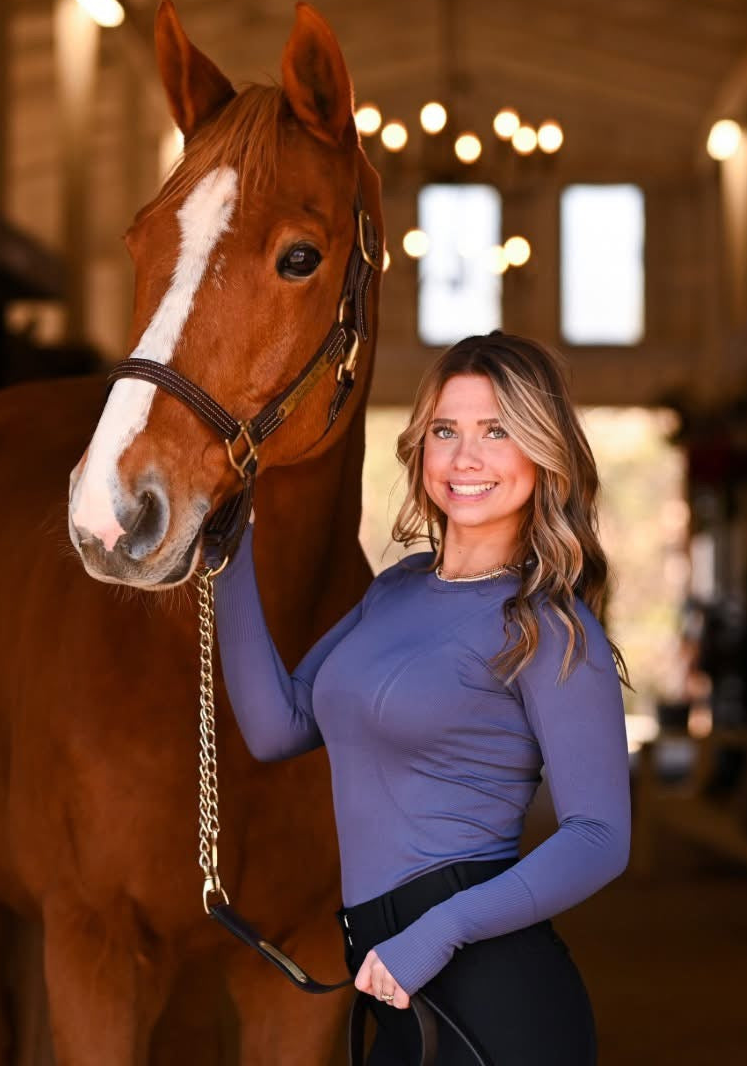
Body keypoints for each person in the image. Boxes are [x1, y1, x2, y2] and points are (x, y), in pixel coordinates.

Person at [212, 331, 633, 1065]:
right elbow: (279, 728)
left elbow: (600, 837)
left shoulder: (551, 628)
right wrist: (227, 556)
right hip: (394, 985)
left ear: (543, 452)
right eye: (446, 431)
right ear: (421, 448)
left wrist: (436, 933)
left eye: (496, 431)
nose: (465, 458)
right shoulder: (397, 587)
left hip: (493, 999)